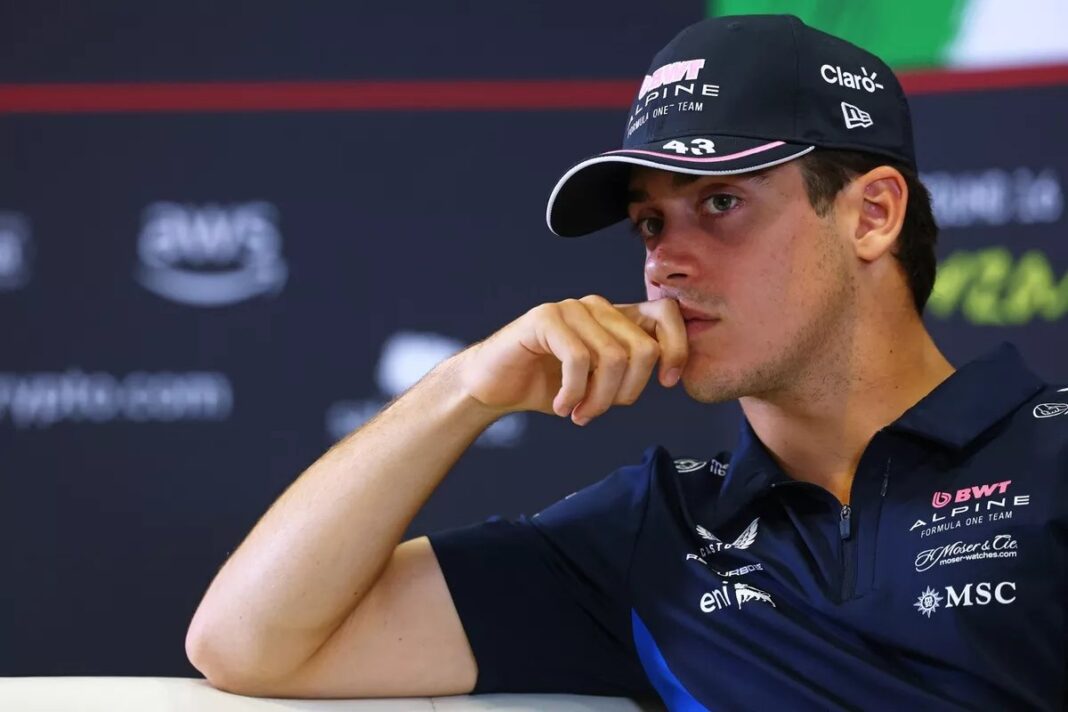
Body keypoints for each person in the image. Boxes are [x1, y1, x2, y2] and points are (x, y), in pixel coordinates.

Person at [185, 14, 1067, 711]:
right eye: (650, 223)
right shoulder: (653, 534)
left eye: (719, 202)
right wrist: (464, 389)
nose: (664, 263)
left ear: (871, 215)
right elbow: (248, 643)